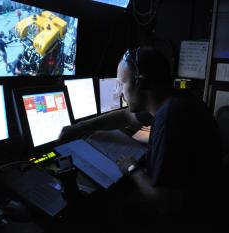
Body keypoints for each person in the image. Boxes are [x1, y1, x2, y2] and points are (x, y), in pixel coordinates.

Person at [58, 46, 222, 232]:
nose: (119, 92)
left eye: (121, 83)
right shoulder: (176, 99)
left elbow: (165, 203)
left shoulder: (169, 119)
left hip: (189, 218)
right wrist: (80, 127)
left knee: (98, 209)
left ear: (141, 83)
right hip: (204, 201)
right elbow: (126, 116)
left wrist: (131, 168)